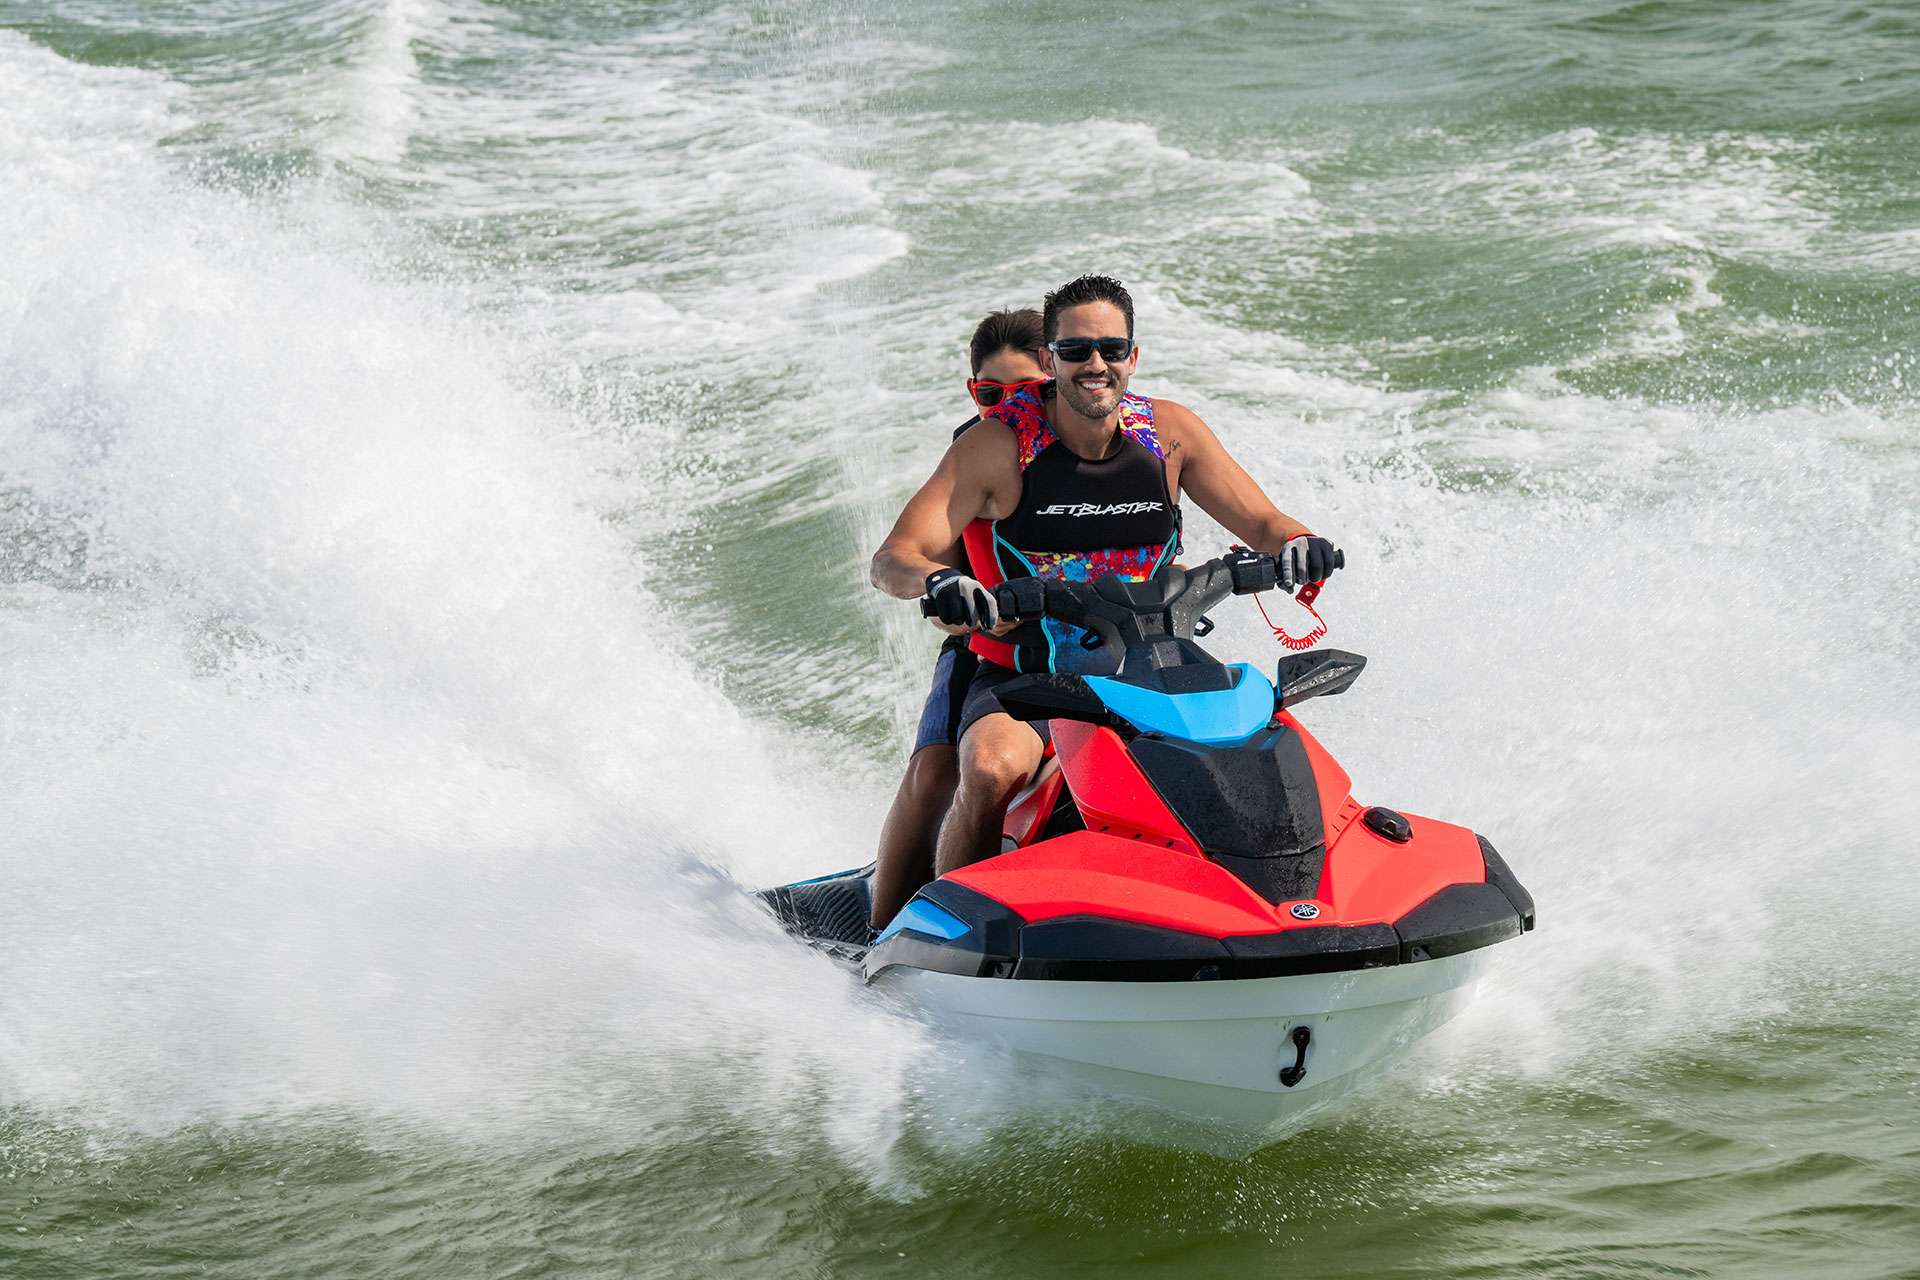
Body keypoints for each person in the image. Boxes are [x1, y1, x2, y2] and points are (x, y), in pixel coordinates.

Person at [869, 275, 1340, 877]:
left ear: (1132, 357)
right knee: (989, 769)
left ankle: (1281, 887)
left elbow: (1265, 523)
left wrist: (1300, 543)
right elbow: (895, 557)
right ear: (1050, 361)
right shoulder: (995, 447)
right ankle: (944, 917)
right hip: (1030, 674)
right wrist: (938, 580)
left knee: (1261, 741)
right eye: (1075, 351)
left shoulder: (1170, 434)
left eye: (1111, 349)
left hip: (1157, 668)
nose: (1095, 364)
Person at [868, 309, 1048, 928]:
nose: (1007, 407)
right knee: (933, 774)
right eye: (990, 393)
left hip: (1093, 646)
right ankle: (883, 938)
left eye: (1025, 390)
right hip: (985, 646)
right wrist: (968, 612)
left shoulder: (1114, 445)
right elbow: (916, 565)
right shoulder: (971, 453)